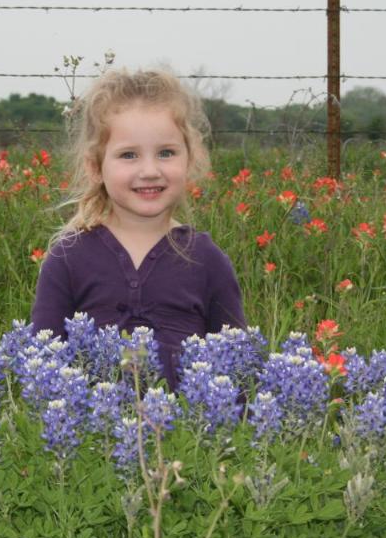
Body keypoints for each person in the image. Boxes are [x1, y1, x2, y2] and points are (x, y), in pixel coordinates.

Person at [30, 68, 245, 387]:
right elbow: (42, 363)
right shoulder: (68, 257)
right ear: (95, 167)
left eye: (166, 153)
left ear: (190, 159)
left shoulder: (206, 259)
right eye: (128, 155)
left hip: (188, 427)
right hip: (91, 429)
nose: (149, 171)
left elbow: (235, 365)